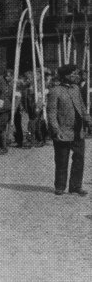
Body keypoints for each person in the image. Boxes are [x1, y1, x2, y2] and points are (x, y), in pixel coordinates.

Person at [46, 65, 91, 196]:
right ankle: (60, 186)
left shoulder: (76, 89)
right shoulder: (55, 91)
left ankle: (75, 186)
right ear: (65, 76)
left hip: (78, 131)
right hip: (63, 131)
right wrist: (55, 129)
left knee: (79, 159)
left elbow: (82, 108)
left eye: (77, 74)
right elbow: (51, 113)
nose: (76, 76)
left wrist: (89, 121)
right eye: (74, 74)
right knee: (61, 159)